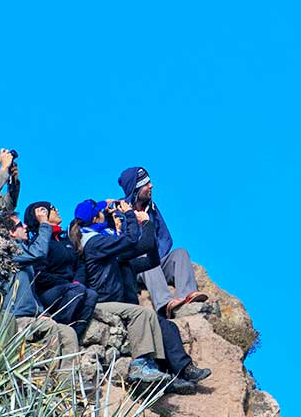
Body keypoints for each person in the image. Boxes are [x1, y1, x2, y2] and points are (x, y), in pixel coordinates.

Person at [71, 199, 209, 392]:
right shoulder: (95, 243)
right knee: (146, 315)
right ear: (95, 218)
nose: (111, 215)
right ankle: (144, 368)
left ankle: (180, 371)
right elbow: (130, 240)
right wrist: (137, 219)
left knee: (167, 326)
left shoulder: (113, 255)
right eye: (105, 212)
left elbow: (150, 258)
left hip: (120, 302)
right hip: (104, 302)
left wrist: (145, 228)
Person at [0, 210, 80, 372]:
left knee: (68, 332)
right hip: (15, 318)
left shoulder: (23, 253)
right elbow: (39, 252)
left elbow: (29, 291)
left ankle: (66, 385)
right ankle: (47, 378)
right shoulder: (6, 252)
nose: (24, 226)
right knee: (49, 328)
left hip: (32, 316)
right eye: (19, 225)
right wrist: (44, 224)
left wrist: (41, 311)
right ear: (10, 232)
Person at [119, 167, 207, 318]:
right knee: (147, 260)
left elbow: (165, 237)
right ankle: (166, 304)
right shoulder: (122, 213)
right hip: (136, 267)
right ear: (136, 188)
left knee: (180, 253)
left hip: (155, 261)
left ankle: (187, 295)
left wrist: (156, 255)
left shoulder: (151, 208)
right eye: (146, 184)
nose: (151, 186)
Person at [24, 201, 97, 339]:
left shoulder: (65, 241)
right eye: (52, 208)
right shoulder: (39, 244)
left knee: (91, 295)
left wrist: (76, 281)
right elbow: (39, 275)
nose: (57, 209)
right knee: (77, 291)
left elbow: (80, 264)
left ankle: (75, 336)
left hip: (72, 289)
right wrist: (66, 284)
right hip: (49, 293)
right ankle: (59, 333)